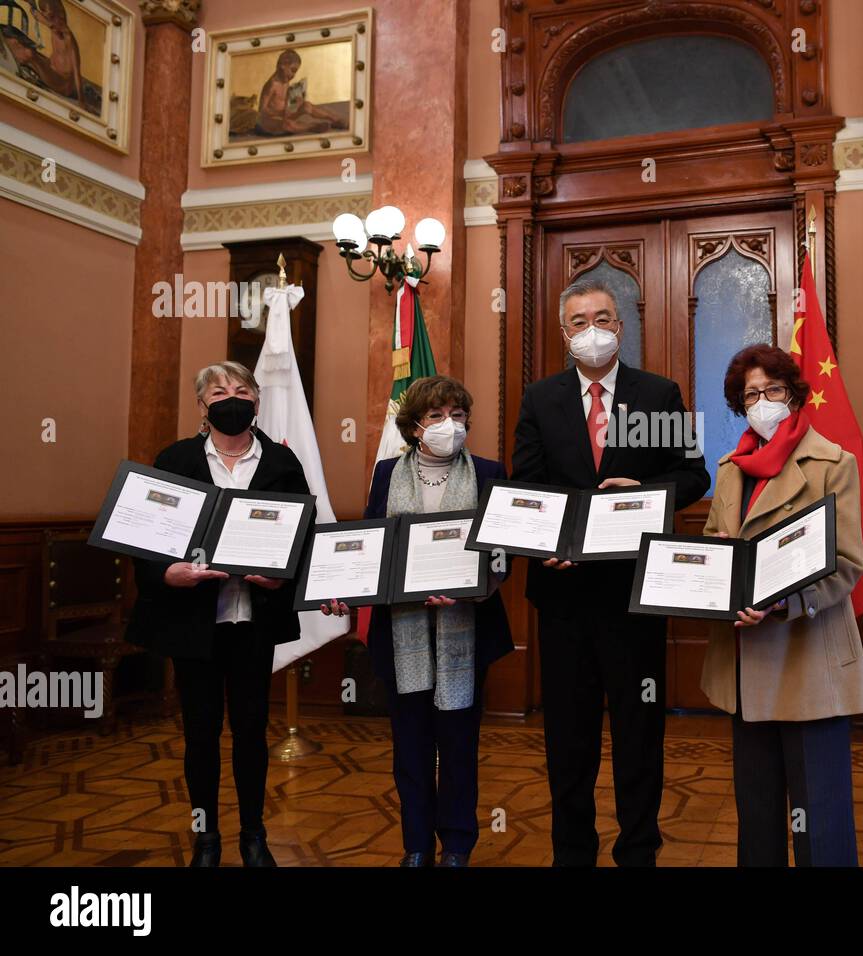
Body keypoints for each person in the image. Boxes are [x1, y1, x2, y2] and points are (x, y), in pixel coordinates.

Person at [512, 278, 710, 866]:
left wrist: (647, 492)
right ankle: (572, 853)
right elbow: (526, 486)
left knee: (638, 730)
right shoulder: (540, 399)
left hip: (634, 595)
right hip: (564, 593)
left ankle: (638, 851)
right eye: (578, 322)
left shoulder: (659, 394)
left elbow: (695, 476)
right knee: (568, 737)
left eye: (602, 318)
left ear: (621, 327)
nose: (592, 330)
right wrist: (544, 540)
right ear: (564, 334)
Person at [126, 361, 311, 867]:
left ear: (256, 399)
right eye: (219, 391)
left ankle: (254, 835)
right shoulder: (176, 459)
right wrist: (169, 574)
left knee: (252, 732)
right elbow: (145, 541)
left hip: (254, 620)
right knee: (200, 735)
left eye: (242, 389)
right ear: (202, 406)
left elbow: (301, 539)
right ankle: (206, 839)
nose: (232, 397)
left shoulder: (282, 463)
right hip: (193, 624)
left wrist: (281, 576)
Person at [322, 376, 512, 867]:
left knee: (458, 744)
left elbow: (502, 552)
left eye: (458, 415)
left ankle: (457, 845)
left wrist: (477, 587)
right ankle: (416, 845)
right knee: (409, 747)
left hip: (467, 630)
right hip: (399, 631)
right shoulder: (387, 474)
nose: (449, 425)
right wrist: (344, 589)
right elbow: (371, 546)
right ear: (413, 426)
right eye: (436, 416)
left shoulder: (490, 472)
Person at [699, 344, 863, 867]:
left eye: (772, 390)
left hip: (807, 661)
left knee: (820, 820)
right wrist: (718, 580)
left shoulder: (833, 464)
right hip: (744, 663)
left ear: (794, 394)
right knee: (758, 815)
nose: (763, 401)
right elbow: (712, 541)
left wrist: (780, 603)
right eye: (751, 394)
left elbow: (846, 563)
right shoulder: (731, 469)